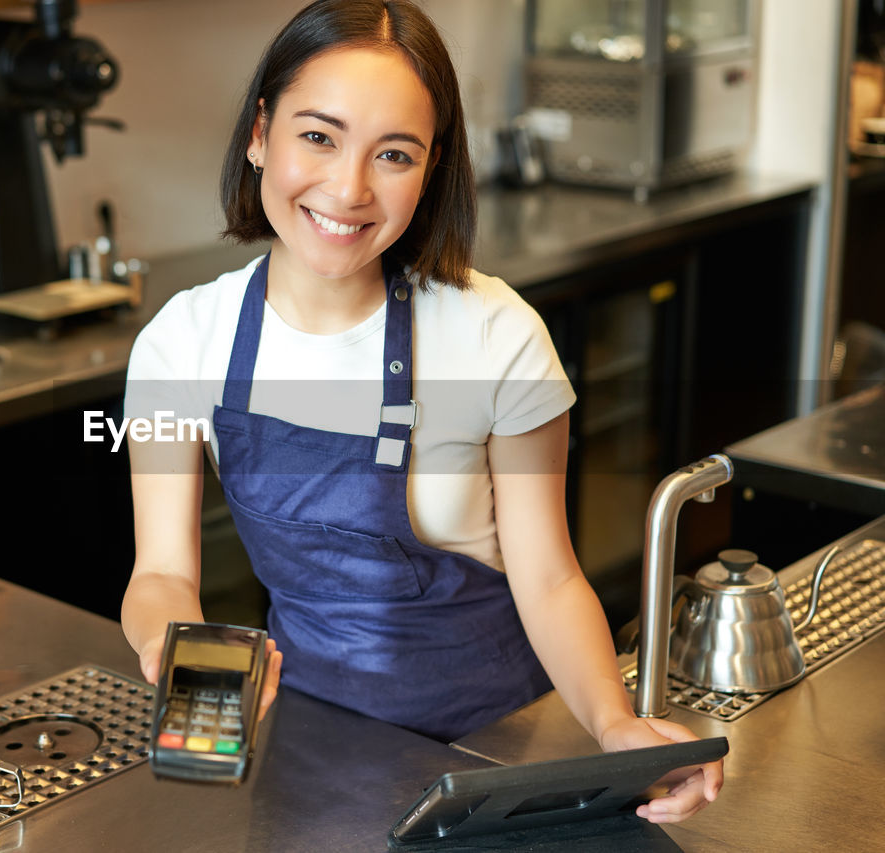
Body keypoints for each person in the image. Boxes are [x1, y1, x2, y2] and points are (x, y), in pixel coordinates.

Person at [120, 0, 721, 824]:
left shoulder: (495, 332)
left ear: (433, 168)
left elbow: (548, 576)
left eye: (393, 153)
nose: (348, 187)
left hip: (500, 753)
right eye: (319, 136)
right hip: (310, 747)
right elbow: (161, 573)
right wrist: (177, 647)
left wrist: (614, 724)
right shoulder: (182, 343)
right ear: (261, 133)